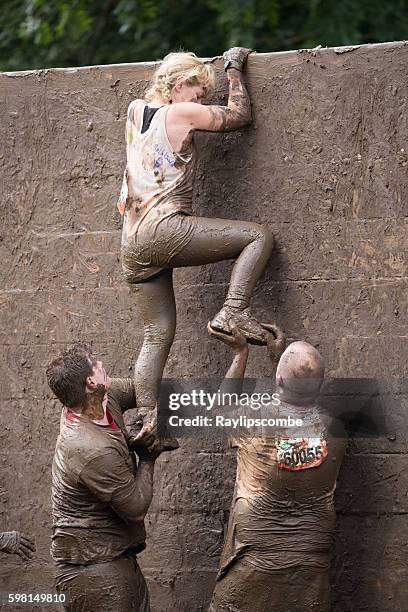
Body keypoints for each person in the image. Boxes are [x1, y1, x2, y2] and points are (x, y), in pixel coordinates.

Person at [117, 48, 275, 446]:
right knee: (258, 237)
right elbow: (240, 117)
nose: (200, 101)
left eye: (204, 95)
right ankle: (234, 310)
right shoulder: (178, 113)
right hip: (163, 227)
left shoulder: (135, 111)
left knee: (157, 333)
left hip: (131, 240)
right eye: (197, 91)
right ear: (174, 85)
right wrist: (234, 68)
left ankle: (147, 424)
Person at [207, 322, 347, 612]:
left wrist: (240, 354)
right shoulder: (337, 430)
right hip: (310, 562)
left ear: (279, 379)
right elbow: (293, 414)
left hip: (253, 559)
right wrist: (279, 361)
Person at [46, 343, 160, 612]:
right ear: (89, 383)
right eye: (95, 364)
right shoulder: (87, 447)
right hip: (91, 571)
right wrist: (147, 457)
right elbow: (135, 509)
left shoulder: (105, 398)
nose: (101, 365)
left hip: (115, 558)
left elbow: (147, 390)